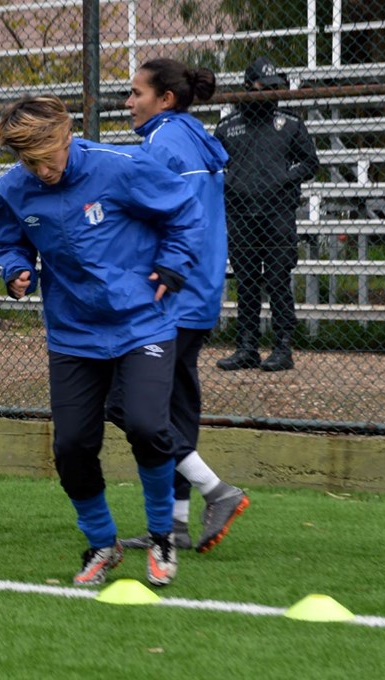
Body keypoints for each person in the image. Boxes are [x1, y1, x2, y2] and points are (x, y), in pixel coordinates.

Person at [0, 95, 205, 587]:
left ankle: (161, 537)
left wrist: (174, 264)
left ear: (66, 137)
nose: (41, 170)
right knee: (71, 447)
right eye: (29, 161)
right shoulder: (13, 188)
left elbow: (186, 211)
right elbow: (7, 238)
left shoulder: (120, 167)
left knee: (149, 427)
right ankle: (102, 543)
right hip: (73, 332)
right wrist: (16, 268)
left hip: (141, 323)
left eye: (47, 156)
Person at [117, 58, 249, 553]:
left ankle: (217, 489)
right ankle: (174, 524)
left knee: (128, 405)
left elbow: (159, 218)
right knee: (174, 408)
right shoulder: (192, 134)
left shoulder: (162, 142)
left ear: (164, 99)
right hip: (199, 291)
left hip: (170, 295)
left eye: (135, 94)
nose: (128, 103)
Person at [214, 57, 320, 372]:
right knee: (246, 280)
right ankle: (246, 347)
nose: (272, 93)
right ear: (248, 87)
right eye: (266, 87)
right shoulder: (227, 127)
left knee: (277, 279)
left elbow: (310, 163)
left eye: (276, 87)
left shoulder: (289, 124)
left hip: (278, 214)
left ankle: (282, 348)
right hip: (241, 213)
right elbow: (213, 166)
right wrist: (229, 183)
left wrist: (283, 179)